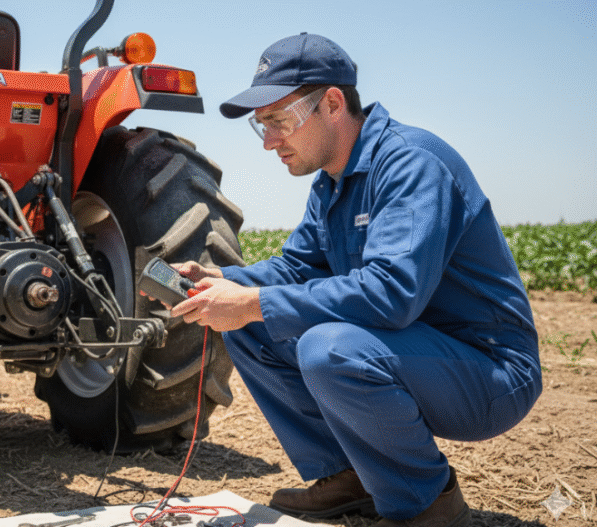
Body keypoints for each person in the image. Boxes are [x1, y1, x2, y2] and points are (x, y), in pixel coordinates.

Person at [169, 33, 542, 527]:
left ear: (332, 102)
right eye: (261, 126)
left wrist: (254, 301)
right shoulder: (332, 182)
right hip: (416, 353)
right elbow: (297, 267)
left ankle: (428, 506)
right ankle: (352, 479)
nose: (268, 142)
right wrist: (225, 280)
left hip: (489, 372)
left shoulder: (411, 163)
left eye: (278, 121)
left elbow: (393, 294)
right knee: (253, 322)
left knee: (329, 347)